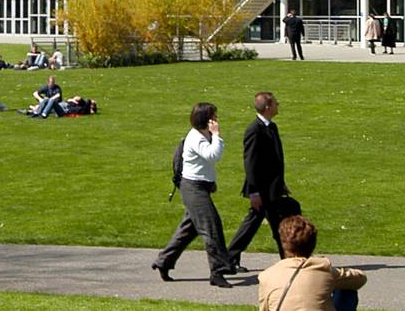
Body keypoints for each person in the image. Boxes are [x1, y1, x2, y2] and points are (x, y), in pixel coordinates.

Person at [153, 102, 232, 288]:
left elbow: (206, 163)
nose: (217, 119)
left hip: (199, 187)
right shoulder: (196, 137)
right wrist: (217, 135)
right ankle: (218, 272)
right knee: (211, 227)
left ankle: (164, 261)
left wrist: (210, 182)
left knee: (188, 229)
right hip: (192, 188)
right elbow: (213, 155)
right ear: (206, 118)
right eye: (214, 116)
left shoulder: (203, 135)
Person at [227, 91, 298, 272]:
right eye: (275, 103)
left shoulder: (271, 127)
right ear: (268, 107)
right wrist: (254, 192)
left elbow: (274, 160)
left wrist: (281, 183)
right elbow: (250, 163)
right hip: (262, 190)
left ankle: (229, 258)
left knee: (256, 223)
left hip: (272, 188)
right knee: (276, 224)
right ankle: (288, 260)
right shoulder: (254, 130)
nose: (278, 105)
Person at [257, 215, 367, 311]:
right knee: (347, 290)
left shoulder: (267, 275)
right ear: (313, 244)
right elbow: (360, 278)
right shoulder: (322, 268)